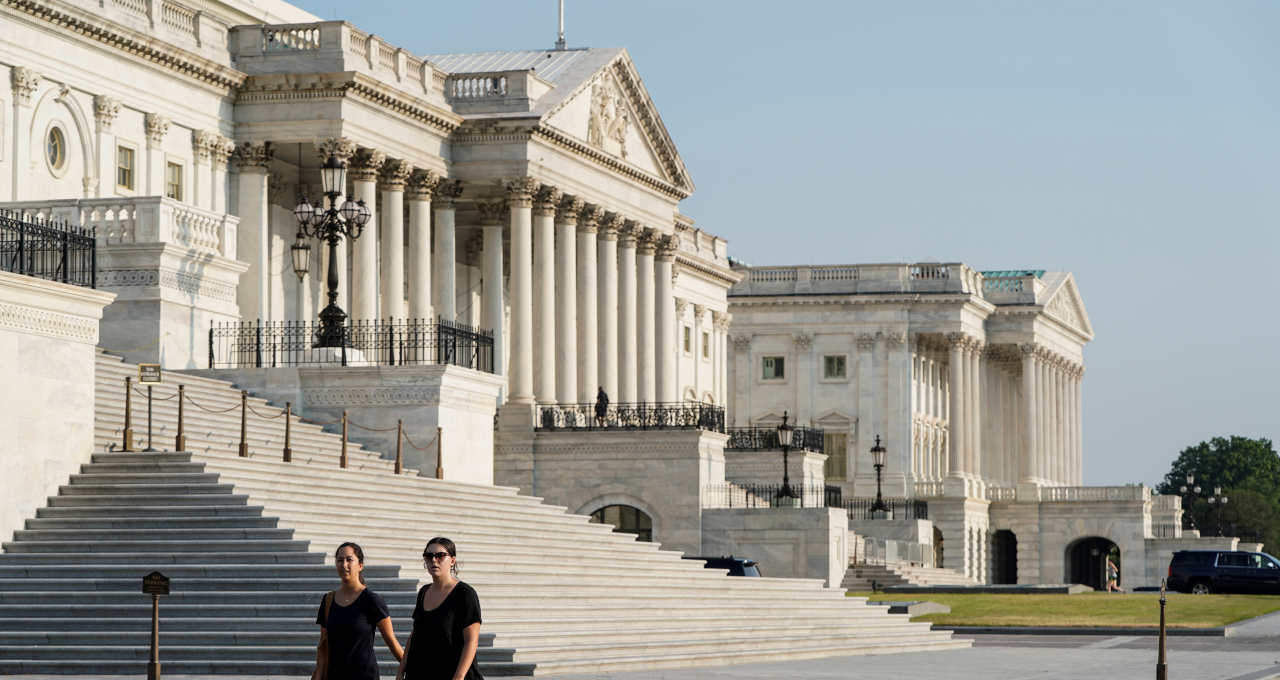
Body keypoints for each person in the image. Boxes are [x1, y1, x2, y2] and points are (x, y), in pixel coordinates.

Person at [314, 542, 404, 680]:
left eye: (349, 559)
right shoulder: (328, 600)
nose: (344, 565)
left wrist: (412, 670)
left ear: (360, 565)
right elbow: (323, 645)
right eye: (339, 560)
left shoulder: (372, 600)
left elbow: (392, 641)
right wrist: (319, 674)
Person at [397, 537, 484, 680]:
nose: (434, 560)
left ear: (452, 561)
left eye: (440, 556)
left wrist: (459, 676)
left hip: (453, 673)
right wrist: (401, 670)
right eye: (429, 556)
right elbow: (415, 634)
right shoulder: (424, 592)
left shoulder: (465, 594)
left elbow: (471, 640)